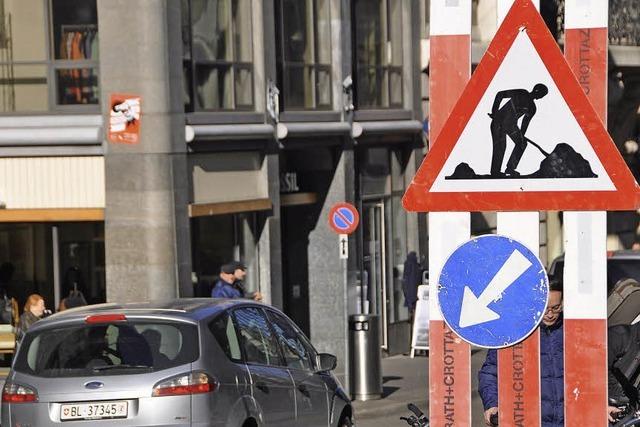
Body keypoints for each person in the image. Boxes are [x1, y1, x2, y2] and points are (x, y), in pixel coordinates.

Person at [478, 278, 564, 427]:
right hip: (528, 421)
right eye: (545, 309)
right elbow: (490, 372)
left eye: (556, 308)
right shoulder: (515, 332)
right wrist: (492, 404)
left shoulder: (574, 331)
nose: (550, 314)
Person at [489, 83, 549, 177]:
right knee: (501, 146)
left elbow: (525, 124)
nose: (540, 97)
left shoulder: (532, 108)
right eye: (541, 94)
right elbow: (500, 94)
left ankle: (510, 168)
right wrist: (494, 112)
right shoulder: (522, 93)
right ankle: (495, 172)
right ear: (537, 91)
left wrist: (521, 136)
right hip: (499, 122)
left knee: (522, 143)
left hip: (511, 126)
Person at [607, 321, 640, 424]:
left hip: (622, 407)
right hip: (599, 406)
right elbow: (588, 374)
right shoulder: (618, 336)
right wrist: (599, 405)